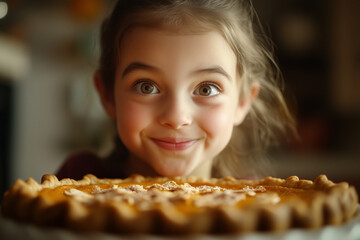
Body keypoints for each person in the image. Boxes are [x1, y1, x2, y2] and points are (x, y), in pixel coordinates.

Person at [56, 0, 296, 181]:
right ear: (107, 95)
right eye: (146, 86)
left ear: (243, 101)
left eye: (206, 89)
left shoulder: (256, 205)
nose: (176, 117)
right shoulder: (73, 182)